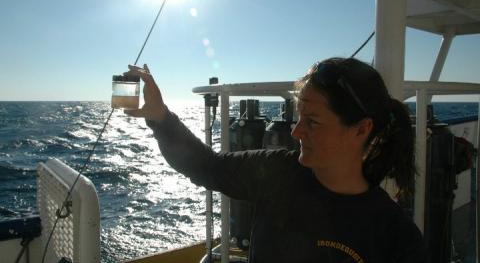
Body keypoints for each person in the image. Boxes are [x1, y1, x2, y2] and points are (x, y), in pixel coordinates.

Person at [124, 57, 426, 263]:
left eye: (313, 122)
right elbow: (208, 167)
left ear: (361, 129)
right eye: (298, 118)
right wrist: (160, 117)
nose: (296, 132)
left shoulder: (395, 235)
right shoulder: (276, 172)